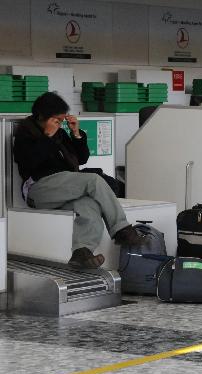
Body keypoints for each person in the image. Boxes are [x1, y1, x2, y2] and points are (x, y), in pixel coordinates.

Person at [13, 92, 145, 269]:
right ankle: (121, 229)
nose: (59, 124)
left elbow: (81, 159)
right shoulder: (25, 133)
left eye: (61, 120)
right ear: (42, 117)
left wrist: (75, 133)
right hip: (38, 189)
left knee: (88, 205)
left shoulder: (59, 134)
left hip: (62, 187)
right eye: (56, 120)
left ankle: (81, 252)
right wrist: (47, 138)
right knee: (94, 180)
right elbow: (29, 162)